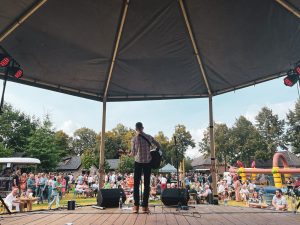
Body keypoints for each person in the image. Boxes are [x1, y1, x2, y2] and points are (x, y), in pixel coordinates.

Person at [130, 122, 160, 214]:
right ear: (142, 128)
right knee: (147, 185)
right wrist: (153, 151)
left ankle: (136, 207)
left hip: (138, 162)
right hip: (147, 163)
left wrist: (129, 154)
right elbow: (158, 145)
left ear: (136, 129)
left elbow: (134, 153)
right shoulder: (149, 137)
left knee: (136, 185)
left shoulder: (134, 139)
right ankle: (145, 207)